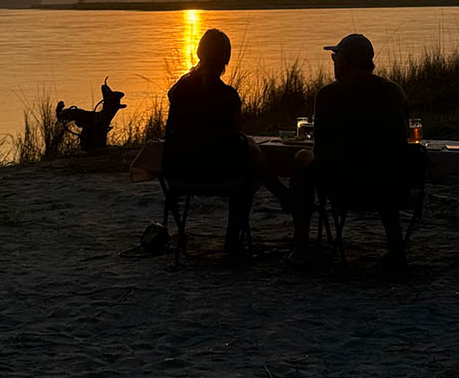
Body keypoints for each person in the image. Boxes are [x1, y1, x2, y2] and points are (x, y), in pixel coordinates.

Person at [289, 33, 412, 268]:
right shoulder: (395, 92)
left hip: (343, 188)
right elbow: (402, 140)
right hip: (390, 187)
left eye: (335, 57)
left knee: (302, 158)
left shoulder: (327, 94)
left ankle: (301, 245)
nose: (333, 62)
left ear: (344, 61)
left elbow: (320, 150)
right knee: (384, 161)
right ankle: (396, 248)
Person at [163, 27, 289, 253]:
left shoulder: (179, 91)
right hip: (220, 174)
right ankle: (233, 240)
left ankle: (282, 195)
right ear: (225, 58)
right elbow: (234, 137)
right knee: (250, 169)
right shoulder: (228, 96)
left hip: (179, 173)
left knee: (249, 152)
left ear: (199, 53)